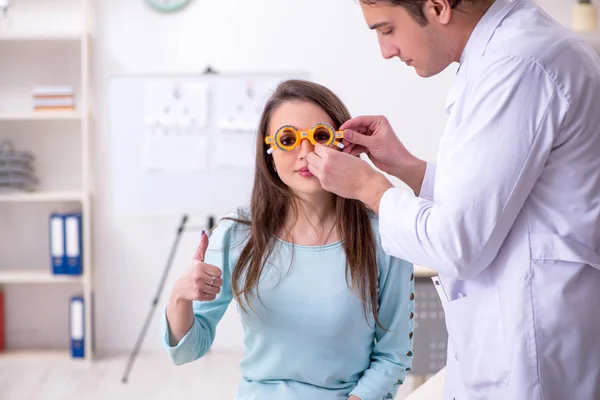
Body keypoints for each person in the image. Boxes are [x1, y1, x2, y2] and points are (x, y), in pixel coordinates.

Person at [305, 0, 600, 399]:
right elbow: (500, 198)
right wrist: (406, 166)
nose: (385, 51)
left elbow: (457, 243)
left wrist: (369, 189)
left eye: (387, 29)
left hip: (535, 353)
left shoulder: (518, 65)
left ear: (438, 6)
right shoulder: (507, 56)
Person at [161, 79, 415, 400]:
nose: (305, 152)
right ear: (269, 153)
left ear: (342, 144)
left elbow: (394, 356)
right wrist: (180, 297)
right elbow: (187, 351)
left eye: (320, 136)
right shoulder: (238, 233)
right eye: (288, 139)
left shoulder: (384, 237)